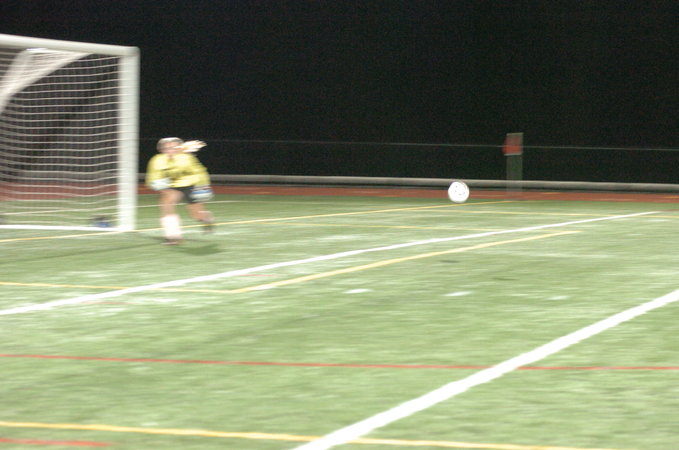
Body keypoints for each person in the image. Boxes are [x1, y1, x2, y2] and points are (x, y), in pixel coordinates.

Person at [145, 137, 215, 245]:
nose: (170, 150)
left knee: (196, 215)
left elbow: (200, 173)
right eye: (166, 148)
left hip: (192, 184)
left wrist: (203, 189)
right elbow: (154, 177)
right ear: (161, 149)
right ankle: (173, 236)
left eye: (173, 147)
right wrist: (163, 190)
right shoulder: (157, 160)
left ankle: (206, 218)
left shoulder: (186, 158)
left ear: (179, 148)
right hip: (172, 185)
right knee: (166, 203)